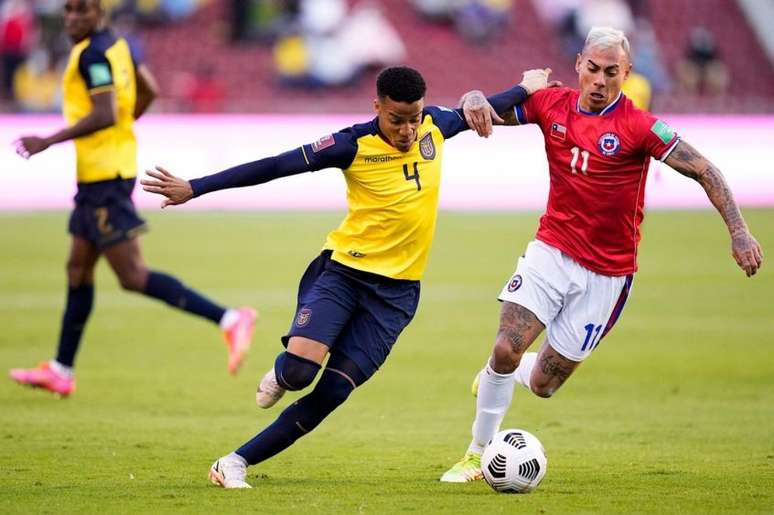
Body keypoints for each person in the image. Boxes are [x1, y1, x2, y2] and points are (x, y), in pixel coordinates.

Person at [141, 65, 556, 488]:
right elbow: (276, 165)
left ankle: (233, 462)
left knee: (333, 392)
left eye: (414, 118)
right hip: (344, 275)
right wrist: (196, 186)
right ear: (376, 107)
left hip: (395, 298)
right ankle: (282, 373)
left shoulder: (436, 125)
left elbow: (488, 106)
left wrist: (526, 87)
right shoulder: (350, 144)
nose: (408, 130)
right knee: (300, 374)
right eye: (397, 120)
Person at [440, 26, 763, 483]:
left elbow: (705, 170)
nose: (599, 80)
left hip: (607, 275)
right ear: (578, 65)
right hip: (551, 250)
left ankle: (505, 375)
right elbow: (486, 111)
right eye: (592, 69)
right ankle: (476, 453)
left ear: (627, 73)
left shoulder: (639, 126)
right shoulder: (550, 103)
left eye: (612, 72)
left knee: (543, 385)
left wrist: (740, 232)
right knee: (506, 346)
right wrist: (473, 94)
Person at [9, 0, 257, 398]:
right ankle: (61, 369)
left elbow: (106, 112)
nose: (73, 18)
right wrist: (124, 128)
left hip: (106, 177)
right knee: (78, 269)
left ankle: (230, 319)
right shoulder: (118, 45)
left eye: (82, 11)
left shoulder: (92, 54)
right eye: (69, 11)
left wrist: (47, 141)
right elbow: (149, 90)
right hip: (101, 174)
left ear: (99, 13)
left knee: (133, 276)